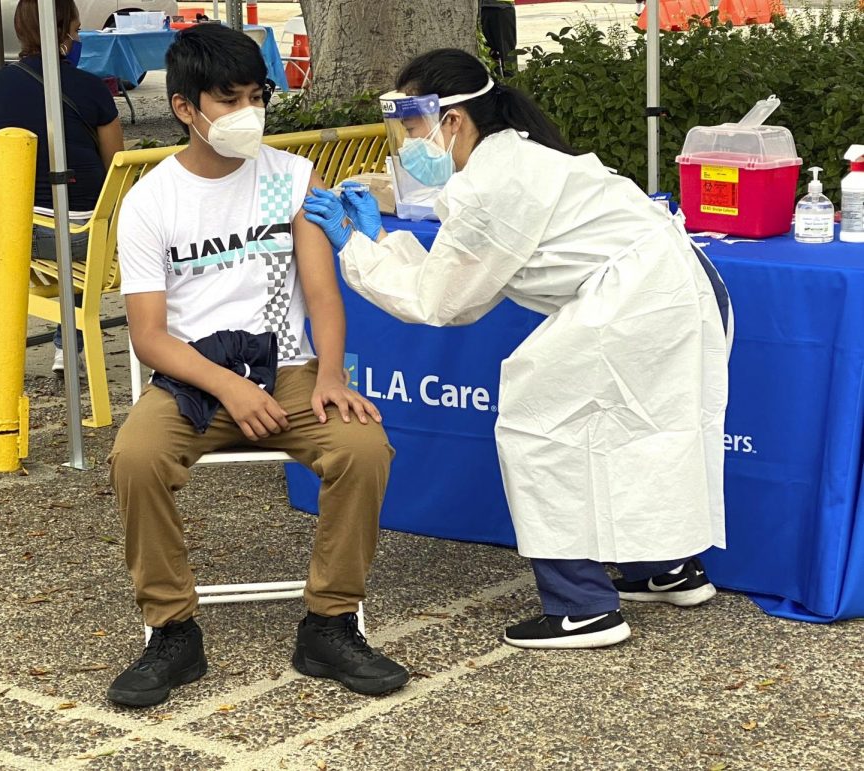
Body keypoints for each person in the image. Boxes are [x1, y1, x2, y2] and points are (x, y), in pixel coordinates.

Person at [304, 48, 732, 651]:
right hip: (669, 291)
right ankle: (662, 569)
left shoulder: (490, 184)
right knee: (642, 432)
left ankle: (583, 608)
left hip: (637, 304)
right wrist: (380, 239)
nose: (406, 142)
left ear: (452, 120)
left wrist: (354, 245)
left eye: (412, 125)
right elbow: (459, 279)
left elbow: (442, 303)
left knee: (541, 429)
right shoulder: (514, 159)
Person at [106, 24, 409, 708]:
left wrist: (331, 372)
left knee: (364, 447)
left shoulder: (288, 177)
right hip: (194, 376)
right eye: (228, 99)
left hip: (292, 371)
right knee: (134, 456)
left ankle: (329, 623)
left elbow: (323, 293)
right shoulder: (152, 200)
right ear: (185, 108)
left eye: (255, 96)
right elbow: (150, 336)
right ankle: (173, 631)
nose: (247, 113)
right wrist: (228, 388)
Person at [0, 0, 124, 383]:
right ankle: (68, 348)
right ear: (67, 29)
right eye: (77, 27)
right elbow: (114, 163)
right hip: (79, 241)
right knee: (89, 211)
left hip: (5, 238)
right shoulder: (92, 90)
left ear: (20, 30)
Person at [479, 0, 517, 77]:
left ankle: (511, 84)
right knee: (489, 53)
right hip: (484, 8)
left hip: (502, 7)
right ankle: (496, 83)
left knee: (507, 53)